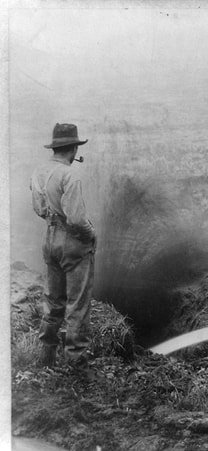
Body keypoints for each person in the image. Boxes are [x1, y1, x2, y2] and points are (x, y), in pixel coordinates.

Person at [30, 123, 96, 368]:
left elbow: (38, 208)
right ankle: (76, 362)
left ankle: (47, 356)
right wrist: (90, 235)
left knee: (53, 300)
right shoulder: (70, 174)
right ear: (73, 148)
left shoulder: (38, 172)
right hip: (72, 242)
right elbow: (77, 219)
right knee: (77, 303)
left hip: (49, 238)